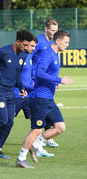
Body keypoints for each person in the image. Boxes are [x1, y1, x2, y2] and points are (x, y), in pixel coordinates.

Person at [16, 30, 73, 168]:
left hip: (48, 98)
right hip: (40, 98)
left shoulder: (55, 54)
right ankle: (21, 158)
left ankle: (36, 144)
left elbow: (46, 74)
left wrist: (55, 82)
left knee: (60, 127)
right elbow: (39, 73)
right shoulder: (47, 53)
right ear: (58, 41)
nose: (67, 45)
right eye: (66, 42)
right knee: (36, 130)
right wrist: (59, 79)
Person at [0, 30, 36, 159]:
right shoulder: (2, 52)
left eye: (28, 45)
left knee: (9, 122)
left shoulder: (23, 55)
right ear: (17, 42)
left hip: (10, 92)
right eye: (25, 45)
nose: (26, 48)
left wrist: (21, 87)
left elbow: (17, 74)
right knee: (2, 120)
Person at [32, 18, 60, 148]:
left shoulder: (54, 44)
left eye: (56, 30)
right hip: (36, 81)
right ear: (46, 29)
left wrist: (55, 80)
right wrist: (30, 77)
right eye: (53, 30)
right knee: (41, 107)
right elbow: (30, 58)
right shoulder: (39, 42)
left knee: (48, 106)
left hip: (47, 81)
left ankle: (46, 137)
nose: (55, 33)